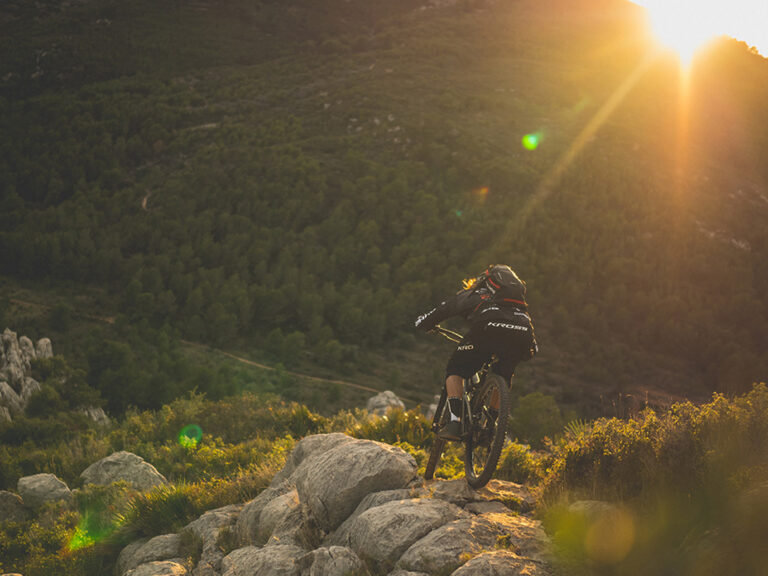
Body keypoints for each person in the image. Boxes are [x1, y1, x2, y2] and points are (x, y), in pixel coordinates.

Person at [414, 265, 537, 440]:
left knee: (455, 371)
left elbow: (444, 309)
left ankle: (455, 423)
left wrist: (423, 323)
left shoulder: (478, 294)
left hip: (487, 332)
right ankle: (491, 426)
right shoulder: (518, 304)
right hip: (521, 333)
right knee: (504, 375)